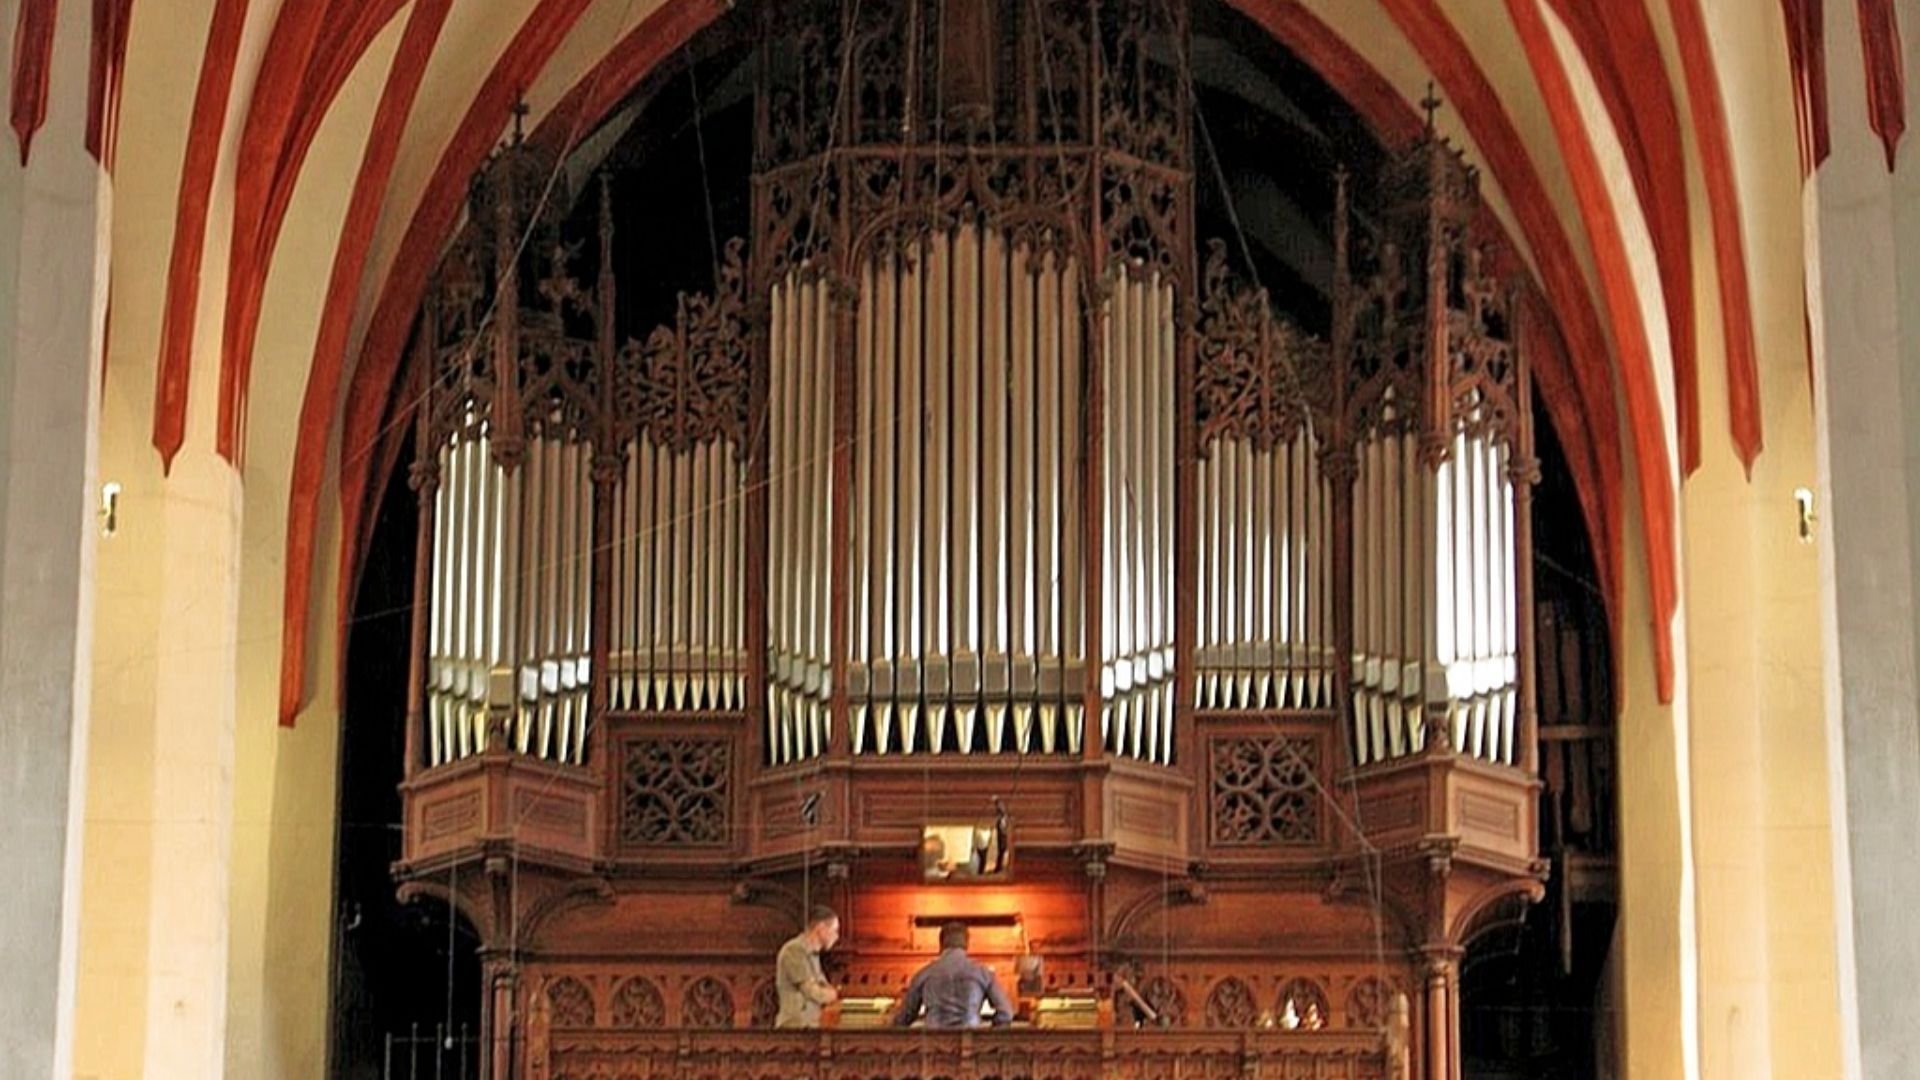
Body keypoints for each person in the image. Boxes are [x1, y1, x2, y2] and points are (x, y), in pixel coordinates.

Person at [892, 922, 1015, 1029]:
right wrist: (987, 1036)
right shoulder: (983, 973)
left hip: (933, 1045)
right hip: (971, 1043)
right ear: (966, 944)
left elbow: (904, 1018)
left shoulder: (924, 974)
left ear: (941, 944)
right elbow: (1006, 1013)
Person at [774, 905, 840, 1028]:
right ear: (821, 928)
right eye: (834, 930)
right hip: (795, 1029)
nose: (836, 936)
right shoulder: (794, 950)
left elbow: (825, 987)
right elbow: (812, 991)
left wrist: (831, 993)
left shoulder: (813, 955)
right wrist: (832, 995)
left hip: (811, 1026)